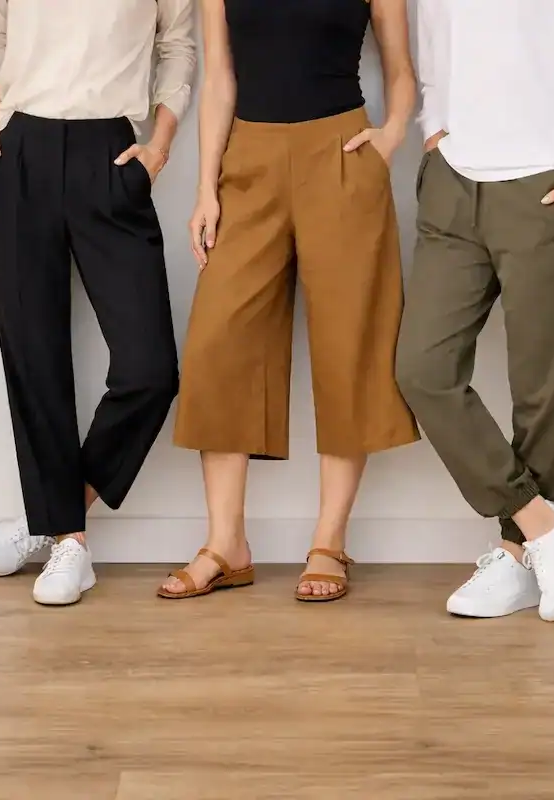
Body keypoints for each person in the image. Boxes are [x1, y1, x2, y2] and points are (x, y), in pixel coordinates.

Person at [163, 0, 419, 602]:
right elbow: (220, 78)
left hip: (343, 152)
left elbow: (401, 69)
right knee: (218, 343)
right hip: (247, 159)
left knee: (349, 341)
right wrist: (205, 187)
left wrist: (390, 136)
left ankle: (329, 541)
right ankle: (226, 544)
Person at [396, 0, 554, 621]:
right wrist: (435, 131)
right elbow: (437, 59)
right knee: (423, 370)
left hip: (551, 185)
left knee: (543, 388)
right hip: (454, 184)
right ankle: (541, 522)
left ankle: (518, 553)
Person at [0, 0, 195, 605]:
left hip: (111, 152)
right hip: (19, 152)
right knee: (34, 357)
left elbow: (177, 45)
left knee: (150, 370)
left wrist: (160, 147)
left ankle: (53, 512)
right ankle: (68, 538)